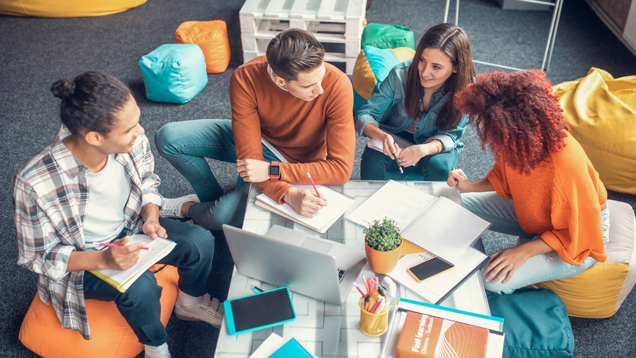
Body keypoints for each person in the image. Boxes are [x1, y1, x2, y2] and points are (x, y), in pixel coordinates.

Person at [12, 71, 223, 358]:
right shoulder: (34, 183)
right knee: (141, 288)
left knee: (200, 241)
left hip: (130, 228)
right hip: (84, 258)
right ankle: (156, 348)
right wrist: (103, 259)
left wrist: (150, 215)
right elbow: (36, 257)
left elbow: (148, 180)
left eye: (137, 121)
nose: (140, 132)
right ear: (95, 137)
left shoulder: (131, 141)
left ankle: (188, 304)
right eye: (129, 129)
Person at [155, 28, 355, 229]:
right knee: (169, 138)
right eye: (309, 86)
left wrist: (278, 179)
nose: (320, 90)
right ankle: (212, 199)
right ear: (280, 81)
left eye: (321, 77)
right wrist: (276, 185)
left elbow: (340, 169)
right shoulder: (245, 77)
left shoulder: (337, 85)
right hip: (259, 142)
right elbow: (250, 157)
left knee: (218, 218)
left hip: (297, 164)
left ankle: (189, 209)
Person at [447, 69, 610, 294]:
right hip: (539, 215)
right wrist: (468, 187)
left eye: (490, 128)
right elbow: (504, 179)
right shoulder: (518, 141)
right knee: (454, 203)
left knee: (491, 282)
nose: (484, 132)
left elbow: (580, 232)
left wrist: (524, 251)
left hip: (581, 233)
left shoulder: (566, 166)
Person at [355, 23, 474, 180]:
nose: (425, 72)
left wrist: (424, 150)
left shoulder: (467, 91)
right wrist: (382, 136)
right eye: (422, 60)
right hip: (396, 135)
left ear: (456, 68)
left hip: (434, 143)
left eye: (436, 67)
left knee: (439, 167)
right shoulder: (400, 74)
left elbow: (450, 136)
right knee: (372, 159)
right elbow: (365, 114)